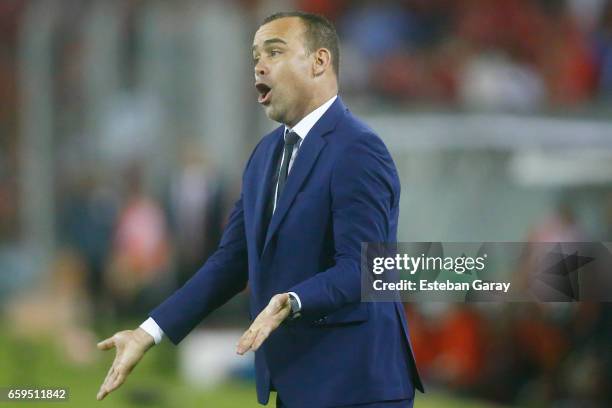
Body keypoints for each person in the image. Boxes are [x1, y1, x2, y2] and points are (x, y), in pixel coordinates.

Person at [96, 11, 423, 407]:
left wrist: (294, 300)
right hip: (297, 385)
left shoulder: (358, 149)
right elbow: (230, 262)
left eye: (275, 51)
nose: (260, 65)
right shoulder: (265, 156)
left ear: (319, 62)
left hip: (358, 387)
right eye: (255, 57)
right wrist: (148, 332)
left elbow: (367, 267)